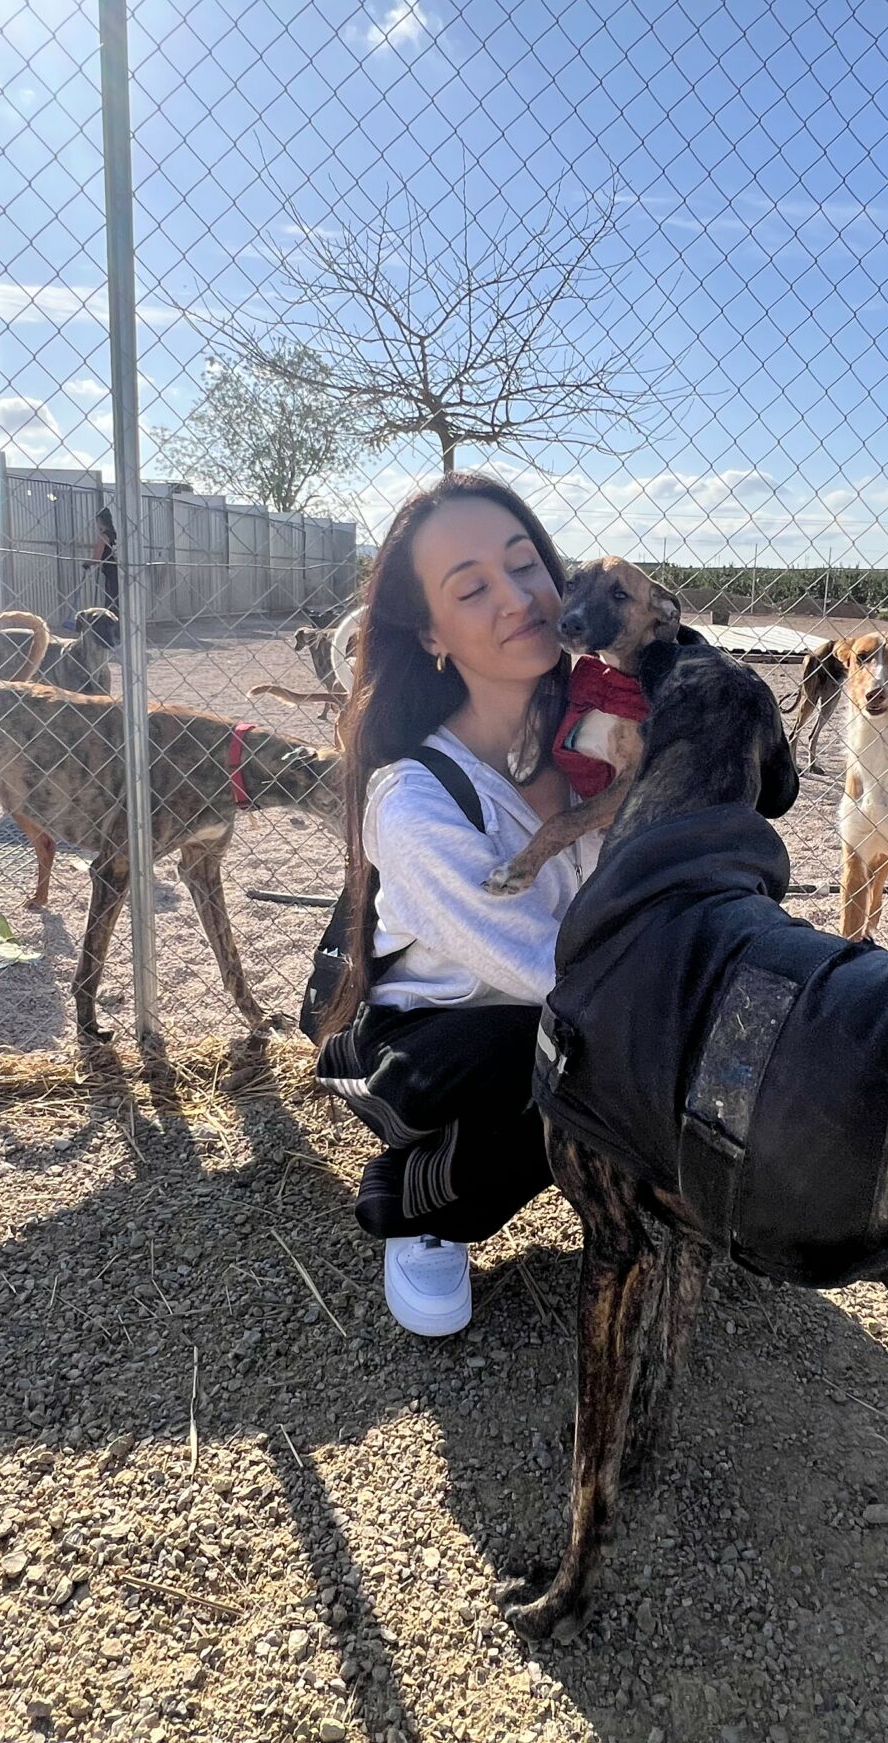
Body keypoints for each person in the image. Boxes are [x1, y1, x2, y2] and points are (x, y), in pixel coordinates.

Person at [313, 474, 590, 1337]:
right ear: (432, 634)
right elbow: (547, 969)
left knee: (603, 1041)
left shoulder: (611, 736)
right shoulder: (414, 799)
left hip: (558, 1009)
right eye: (472, 588)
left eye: (525, 564)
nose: (518, 598)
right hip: (435, 1049)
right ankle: (420, 1202)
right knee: (572, 1046)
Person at [92, 506, 120, 611]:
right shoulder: (114, 535)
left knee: (110, 597)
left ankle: (109, 621)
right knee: (117, 596)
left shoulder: (103, 536)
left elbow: (97, 558)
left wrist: (87, 563)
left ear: (99, 520)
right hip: (117, 568)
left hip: (109, 570)